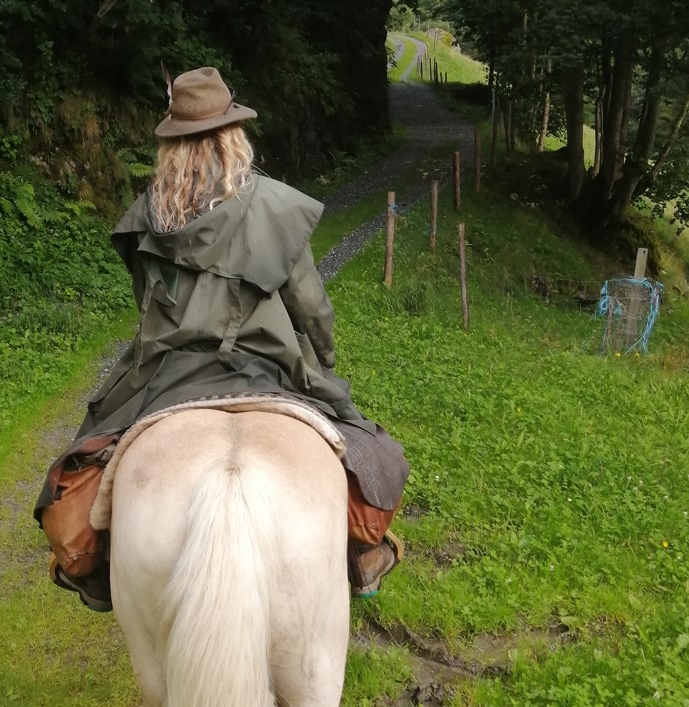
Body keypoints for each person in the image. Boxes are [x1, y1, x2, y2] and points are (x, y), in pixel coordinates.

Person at [35, 66, 409, 612]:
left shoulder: (148, 216)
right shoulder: (276, 208)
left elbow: (148, 308)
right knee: (369, 451)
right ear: (234, 135)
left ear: (171, 146)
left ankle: (93, 566)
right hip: (266, 367)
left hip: (167, 375)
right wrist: (324, 360)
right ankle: (362, 551)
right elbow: (311, 308)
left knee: (85, 453)